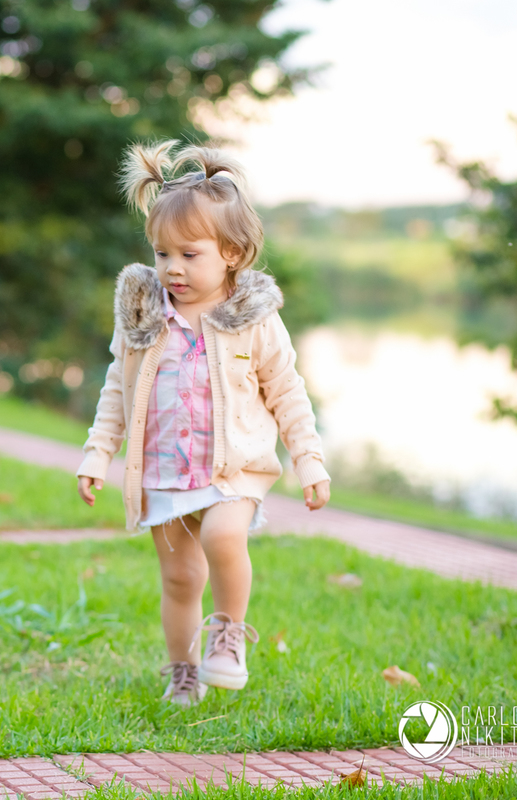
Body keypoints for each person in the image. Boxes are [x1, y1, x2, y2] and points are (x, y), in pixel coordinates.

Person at [76, 140, 331, 708]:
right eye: (162, 253)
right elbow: (118, 388)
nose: (173, 268)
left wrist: (309, 460)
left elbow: (287, 392)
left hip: (232, 469)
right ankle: (183, 674)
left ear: (232, 253)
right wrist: (98, 452)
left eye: (190, 254)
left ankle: (229, 635)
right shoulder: (144, 316)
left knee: (222, 535)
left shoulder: (253, 321)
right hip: (164, 473)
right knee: (180, 579)